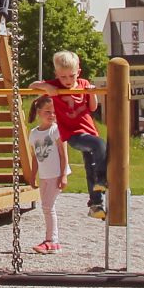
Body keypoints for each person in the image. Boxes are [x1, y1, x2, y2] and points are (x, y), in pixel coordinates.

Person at [32, 50, 107, 218]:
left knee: (91, 165)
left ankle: (96, 204)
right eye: (63, 77)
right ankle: (102, 179)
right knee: (100, 145)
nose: (67, 81)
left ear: (78, 72)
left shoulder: (83, 84)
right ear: (56, 74)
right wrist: (47, 87)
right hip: (74, 135)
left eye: (71, 76)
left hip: (89, 132)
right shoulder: (55, 86)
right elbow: (32, 86)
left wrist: (92, 93)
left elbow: (93, 108)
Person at [26, 95, 66, 254]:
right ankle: (51, 240)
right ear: (39, 112)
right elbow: (35, 157)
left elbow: (63, 155)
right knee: (46, 207)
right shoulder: (34, 133)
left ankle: (52, 241)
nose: (52, 115)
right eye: (48, 112)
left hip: (55, 174)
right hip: (44, 175)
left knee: (48, 207)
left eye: (55, 113)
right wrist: (32, 175)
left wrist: (63, 175)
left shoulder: (55, 130)